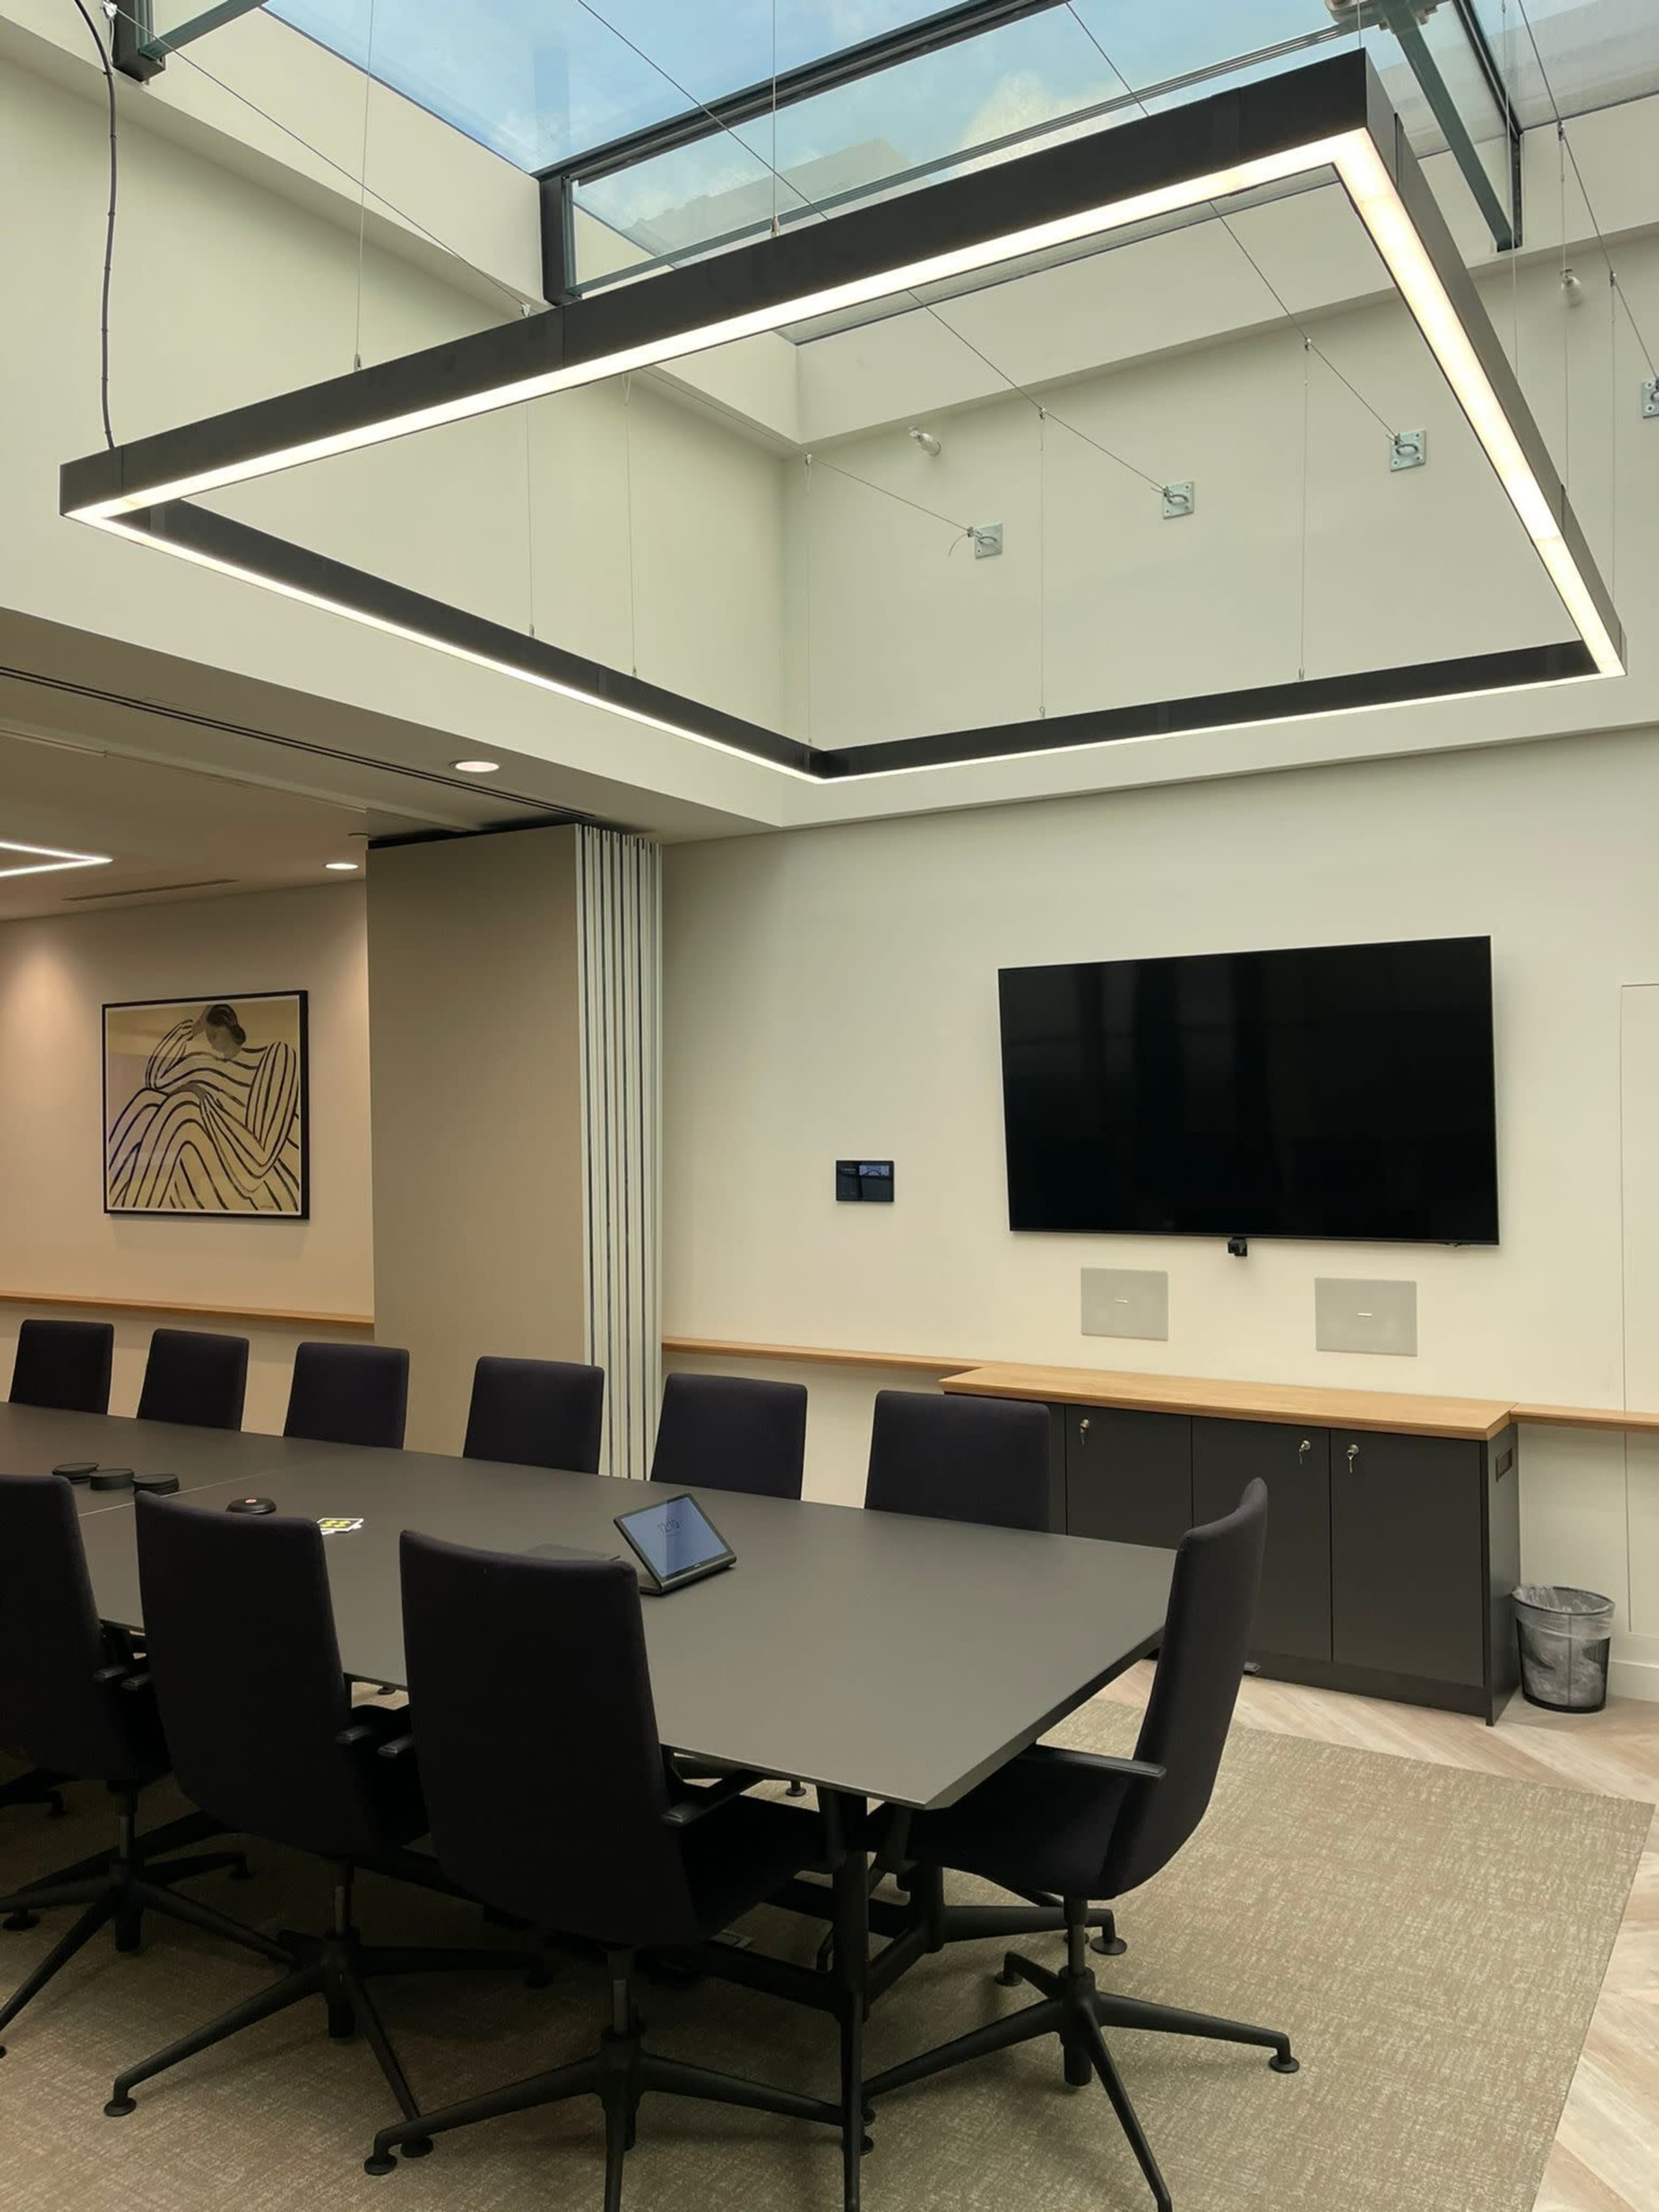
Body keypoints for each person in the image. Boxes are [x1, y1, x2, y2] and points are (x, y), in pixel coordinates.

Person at [106, 1002, 302, 1214]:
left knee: (184, 1105)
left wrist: (204, 1102)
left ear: (228, 1026)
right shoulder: (207, 1066)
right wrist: (195, 1028)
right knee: (149, 1099)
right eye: (208, 1035)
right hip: (210, 1164)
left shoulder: (276, 1056)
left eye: (214, 1033)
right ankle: (117, 1202)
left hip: (254, 1178)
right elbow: (154, 1080)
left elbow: (258, 1163)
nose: (211, 1041)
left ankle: (134, 1209)